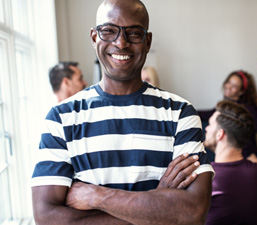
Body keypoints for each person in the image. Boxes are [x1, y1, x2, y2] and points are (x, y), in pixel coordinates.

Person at [31, 0, 214, 225]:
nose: (121, 42)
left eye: (134, 33)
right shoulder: (61, 117)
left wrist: (96, 196)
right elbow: (47, 217)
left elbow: (192, 213)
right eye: (108, 31)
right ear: (94, 37)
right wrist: (155, 207)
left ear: (147, 41)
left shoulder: (180, 114)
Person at [198, 70, 257, 164]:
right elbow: (208, 114)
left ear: (241, 91)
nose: (228, 87)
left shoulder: (247, 110)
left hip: (246, 159)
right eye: (228, 82)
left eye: (234, 86)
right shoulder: (226, 105)